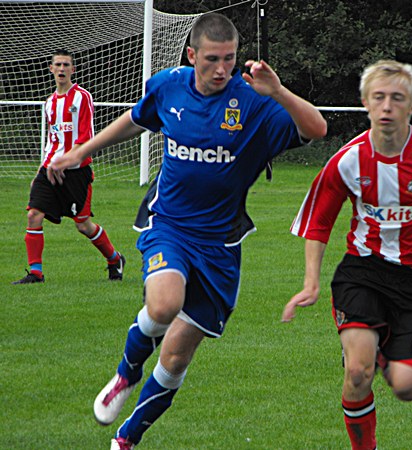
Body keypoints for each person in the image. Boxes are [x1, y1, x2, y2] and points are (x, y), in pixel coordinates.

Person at [48, 13, 326, 449]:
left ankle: (126, 438)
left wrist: (278, 92)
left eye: (230, 59)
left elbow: (317, 129)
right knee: (163, 304)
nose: (222, 70)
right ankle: (125, 373)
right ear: (192, 54)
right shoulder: (169, 84)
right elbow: (136, 119)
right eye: (212, 59)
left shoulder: (251, 101)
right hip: (170, 225)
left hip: (220, 244)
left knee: (176, 357)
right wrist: (81, 151)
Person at [282, 60, 412, 450]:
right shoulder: (348, 159)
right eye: (379, 98)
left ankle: (385, 355)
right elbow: (318, 223)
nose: (387, 106)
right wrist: (311, 282)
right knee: (357, 372)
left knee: (407, 388)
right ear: (365, 103)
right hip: (363, 272)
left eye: (397, 98)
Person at [12, 49, 125, 285]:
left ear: (73, 70)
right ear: (51, 69)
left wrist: (69, 160)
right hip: (50, 169)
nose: (62, 69)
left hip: (76, 172)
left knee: (83, 225)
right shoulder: (49, 103)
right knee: (34, 214)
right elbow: (51, 141)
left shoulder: (82, 97)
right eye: (58, 65)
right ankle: (36, 273)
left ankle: (114, 259)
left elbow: (86, 138)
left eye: (66, 65)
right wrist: (39, 171)